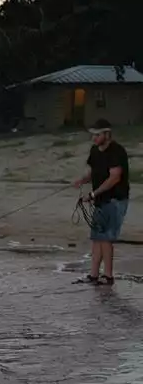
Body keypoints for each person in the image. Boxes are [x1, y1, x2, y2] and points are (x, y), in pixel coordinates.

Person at [72, 119, 130, 286]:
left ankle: (108, 276)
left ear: (107, 134)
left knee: (105, 238)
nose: (94, 138)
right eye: (93, 135)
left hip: (115, 200)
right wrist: (81, 181)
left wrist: (92, 193)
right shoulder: (95, 150)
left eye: (97, 135)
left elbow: (114, 177)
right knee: (97, 238)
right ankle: (94, 275)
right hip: (100, 200)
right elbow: (93, 171)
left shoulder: (117, 151)